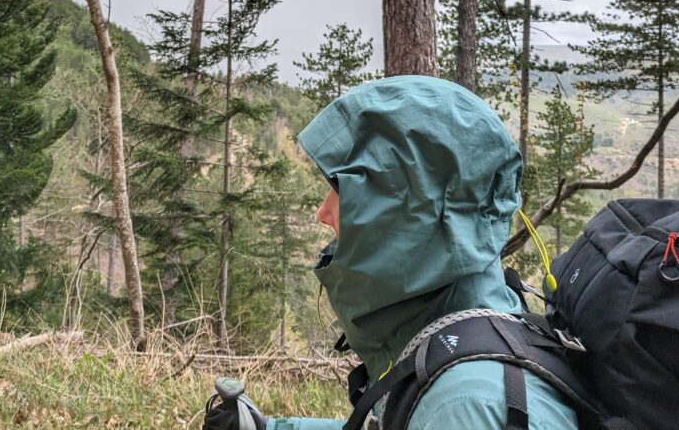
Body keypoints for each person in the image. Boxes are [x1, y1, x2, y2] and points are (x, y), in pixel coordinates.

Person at [203, 75, 580, 430]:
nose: (323, 212)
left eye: (343, 190)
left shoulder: (471, 408)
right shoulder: (450, 340)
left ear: (410, 214)